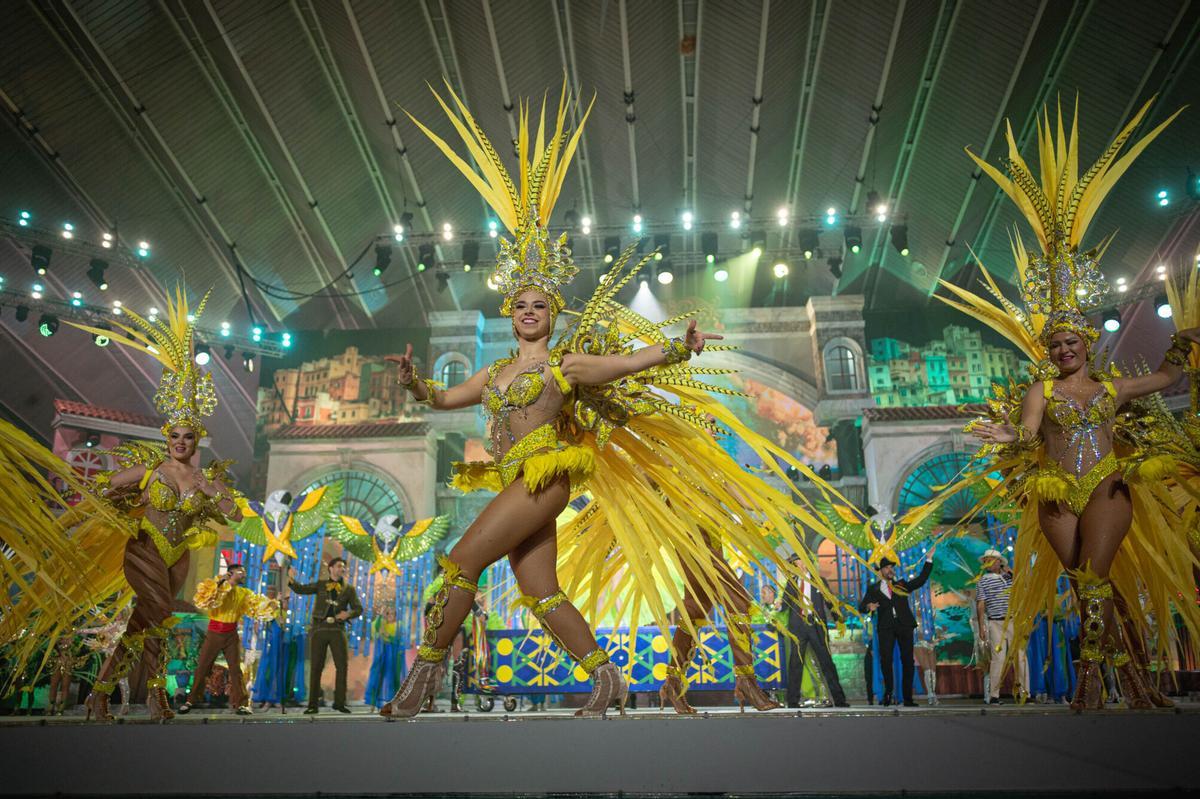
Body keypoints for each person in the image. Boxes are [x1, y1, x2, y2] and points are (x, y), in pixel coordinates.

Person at [953, 99, 1200, 711]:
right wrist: (1004, 434)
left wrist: (1184, 341)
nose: (1062, 349)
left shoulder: (1112, 390)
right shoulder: (1043, 390)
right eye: (1055, 343)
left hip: (1108, 486)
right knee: (1087, 586)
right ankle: (1135, 681)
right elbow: (1028, 432)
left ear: (1087, 343)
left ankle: (1094, 682)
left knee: (1096, 580)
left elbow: (1169, 377)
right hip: (1057, 488)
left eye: (1071, 342)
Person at [178, 558, 278, 715]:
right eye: (241, 572)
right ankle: (190, 700)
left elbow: (255, 605)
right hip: (214, 634)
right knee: (202, 667)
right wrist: (220, 583)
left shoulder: (243, 593)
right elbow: (207, 601)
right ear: (231, 573)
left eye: (244, 572)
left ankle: (240, 704)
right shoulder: (217, 588)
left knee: (236, 670)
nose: (244, 574)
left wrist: (270, 605)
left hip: (231, 635)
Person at [858, 546, 936, 706]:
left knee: (907, 660)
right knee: (886, 661)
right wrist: (869, 607)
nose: (890, 570)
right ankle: (888, 694)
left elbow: (920, 580)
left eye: (892, 567)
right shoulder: (873, 589)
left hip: (904, 626)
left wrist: (928, 559)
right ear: (881, 570)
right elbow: (861, 607)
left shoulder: (901, 585)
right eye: (887, 567)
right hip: (886, 628)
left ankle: (907, 698)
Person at [288, 558, 362, 714]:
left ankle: (339, 703)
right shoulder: (321, 584)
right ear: (331, 568)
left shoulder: (349, 589)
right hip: (320, 628)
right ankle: (312, 705)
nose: (342, 569)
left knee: (342, 666)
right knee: (316, 667)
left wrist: (348, 613)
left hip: (337, 629)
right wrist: (291, 579)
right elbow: (301, 589)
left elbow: (358, 608)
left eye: (343, 567)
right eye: (339, 566)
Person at [781, 555, 848, 708]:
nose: (796, 564)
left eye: (798, 561)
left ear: (805, 562)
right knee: (795, 663)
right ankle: (792, 701)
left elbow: (830, 601)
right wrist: (775, 611)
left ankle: (839, 699)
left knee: (826, 662)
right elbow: (785, 604)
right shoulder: (792, 583)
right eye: (794, 562)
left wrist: (838, 618)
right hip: (798, 626)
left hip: (816, 625)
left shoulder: (819, 581)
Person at [975, 549, 1028, 705]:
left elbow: (1024, 588)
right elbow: (981, 604)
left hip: (1013, 621)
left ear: (1000, 562)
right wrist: (981, 627)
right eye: (986, 560)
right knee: (998, 659)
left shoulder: (1010, 578)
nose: (988, 563)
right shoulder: (983, 580)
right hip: (995, 622)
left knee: (1020, 657)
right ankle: (994, 695)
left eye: (991, 560)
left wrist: (1011, 573)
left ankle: (1024, 693)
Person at [364, 606, 405, 710]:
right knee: (377, 675)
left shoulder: (399, 626)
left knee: (393, 677)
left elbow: (401, 640)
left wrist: (389, 637)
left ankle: (394, 701)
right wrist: (381, 617)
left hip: (394, 655)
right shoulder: (381, 624)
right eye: (387, 614)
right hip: (382, 654)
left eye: (392, 614)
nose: (389, 616)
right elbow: (376, 631)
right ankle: (374, 702)